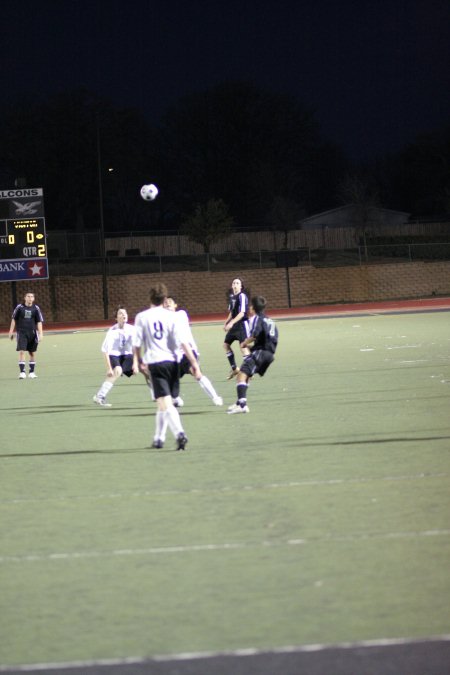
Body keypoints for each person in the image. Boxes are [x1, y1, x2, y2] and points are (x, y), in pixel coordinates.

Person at [133, 283, 202, 451]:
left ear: (150, 298)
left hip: (156, 363)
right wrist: (194, 364)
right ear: (165, 299)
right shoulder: (173, 317)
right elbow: (183, 343)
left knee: (165, 403)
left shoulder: (142, 317)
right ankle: (159, 438)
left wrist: (137, 361)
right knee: (163, 402)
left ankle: (180, 433)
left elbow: (136, 344)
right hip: (174, 363)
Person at [164, 296, 223, 407]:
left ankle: (215, 397)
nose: (167, 304)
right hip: (174, 356)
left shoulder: (181, 314)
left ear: (175, 305)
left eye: (170, 302)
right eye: (165, 303)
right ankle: (176, 399)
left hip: (187, 352)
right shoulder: (163, 321)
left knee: (197, 374)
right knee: (167, 378)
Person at [227, 296, 278, 414]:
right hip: (268, 355)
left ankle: (242, 406)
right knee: (247, 375)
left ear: (253, 308)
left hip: (261, 353)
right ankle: (239, 402)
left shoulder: (258, 319)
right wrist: (254, 347)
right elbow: (272, 339)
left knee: (240, 375)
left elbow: (254, 335)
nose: (249, 307)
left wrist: (245, 343)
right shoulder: (270, 320)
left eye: (251, 305)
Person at [93, 307, 136, 407]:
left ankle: (158, 394)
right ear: (116, 318)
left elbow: (135, 347)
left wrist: (136, 364)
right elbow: (105, 350)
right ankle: (100, 396)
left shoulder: (132, 329)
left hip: (127, 355)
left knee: (145, 368)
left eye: (125, 313)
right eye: (120, 313)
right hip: (114, 355)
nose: (124, 315)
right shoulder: (112, 331)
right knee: (117, 371)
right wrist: (108, 369)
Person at [9, 291, 44, 379]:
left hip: (32, 333)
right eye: (28, 296)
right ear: (25, 298)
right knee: (22, 351)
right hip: (21, 333)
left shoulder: (36, 308)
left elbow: (39, 321)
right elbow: (14, 319)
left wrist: (41, 333)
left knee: (32, 353)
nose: (30, 298)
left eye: (32, 296)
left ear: (34, 299)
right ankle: (22, 372)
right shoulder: (20, 307)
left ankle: (32, 372)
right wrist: (10, 331)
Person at [223, 277, 250, 379]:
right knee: (226, 345)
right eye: (233, 283)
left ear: (241, 286)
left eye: (237, 283)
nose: (235, 284)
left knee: (243, 348)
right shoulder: (232, 297)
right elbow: (231, 312)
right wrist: (226, 322)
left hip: (242, 324)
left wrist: (231, 323)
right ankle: (235, 369)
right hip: (234, 325)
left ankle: (248, 372)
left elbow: (242, 313)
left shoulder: (242, 296)